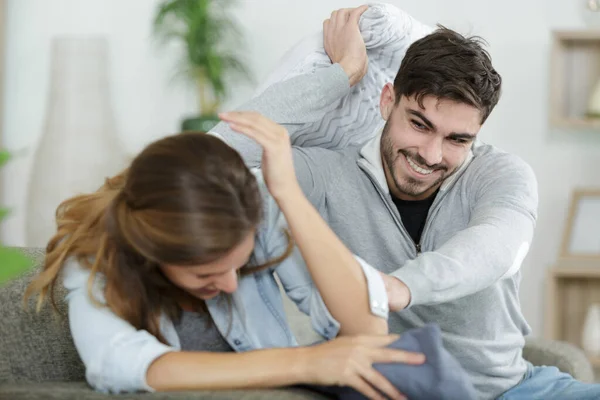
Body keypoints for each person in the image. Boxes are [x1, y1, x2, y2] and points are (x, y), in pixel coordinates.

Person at [212, 5, 600, 400]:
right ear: (387, 102)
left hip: (516, 390)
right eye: (419, 124)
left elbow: (498, 247)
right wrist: (342, 74)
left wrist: (397, 287)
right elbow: (210, 164)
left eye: (457, 139)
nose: (431, 155)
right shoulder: (326, 173)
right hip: (399, 390)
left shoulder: (500, 174)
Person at [25, 128, 428, 400]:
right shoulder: (98, 260)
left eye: (239, 264)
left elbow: (367, 329)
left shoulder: (250, 210)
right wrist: (305, 362)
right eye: (206, 273)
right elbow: (116, 363)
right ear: (151, 251)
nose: (231, 285)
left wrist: (287, 194)